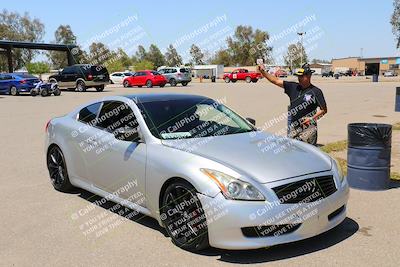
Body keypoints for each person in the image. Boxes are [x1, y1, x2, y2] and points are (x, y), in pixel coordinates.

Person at [257, 63, 327, 145]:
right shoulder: (293, 87)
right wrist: (263, 72)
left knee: (307, 151)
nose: (299, 78)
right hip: (294, 126)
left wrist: (312, 118)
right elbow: (275, 80)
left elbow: (324, 110)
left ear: (308, 76)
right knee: (292, 149)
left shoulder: (316, 91)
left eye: (301, 76)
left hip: (308, 127)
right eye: (298, 76)